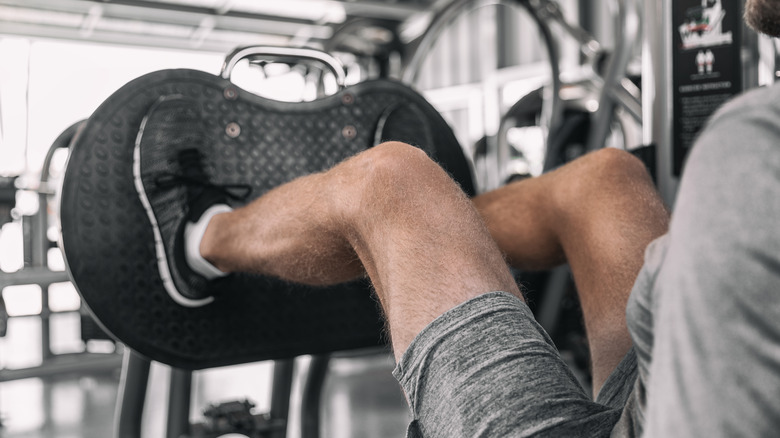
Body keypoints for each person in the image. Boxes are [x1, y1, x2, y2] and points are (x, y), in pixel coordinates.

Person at [131, 0, 780, 434]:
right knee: (606, 179)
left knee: (392, 180)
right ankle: (381, 248)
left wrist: (418, 221)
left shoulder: (755, 142)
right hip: (662, 389)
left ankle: (197, 240)